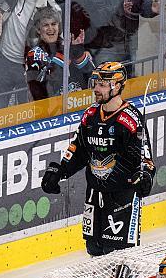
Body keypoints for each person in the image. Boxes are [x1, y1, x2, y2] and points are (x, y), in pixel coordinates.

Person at [40, 62, 155, 257]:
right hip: (95, 194)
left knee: (118, 255)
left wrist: (146, 175)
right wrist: (61, 171)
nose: (96, 89)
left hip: (121, 197)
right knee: (94, 249)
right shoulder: (90, 115)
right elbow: (79, 150)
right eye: (96, 83)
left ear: (117, 86)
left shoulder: (130, 119)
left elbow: (145, 158)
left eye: (102, 84)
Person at [85, 0, 159, 67]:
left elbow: (142, 1)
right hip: (105, 47)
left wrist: (151, 8)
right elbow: (94, 15)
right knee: (107, 82)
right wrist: (119, 9)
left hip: (130, 43)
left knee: (128, 82)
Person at [25, 7, 94, 100]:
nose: (50, 28)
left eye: (54, 24)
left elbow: (92, 77)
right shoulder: (34, 54)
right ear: (38, 30)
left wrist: (79, 53)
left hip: (80, 101)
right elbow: (49, 83)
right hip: (53, 107)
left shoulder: (69, 45)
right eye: (46, 25)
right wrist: (66, 54)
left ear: (59, 26)